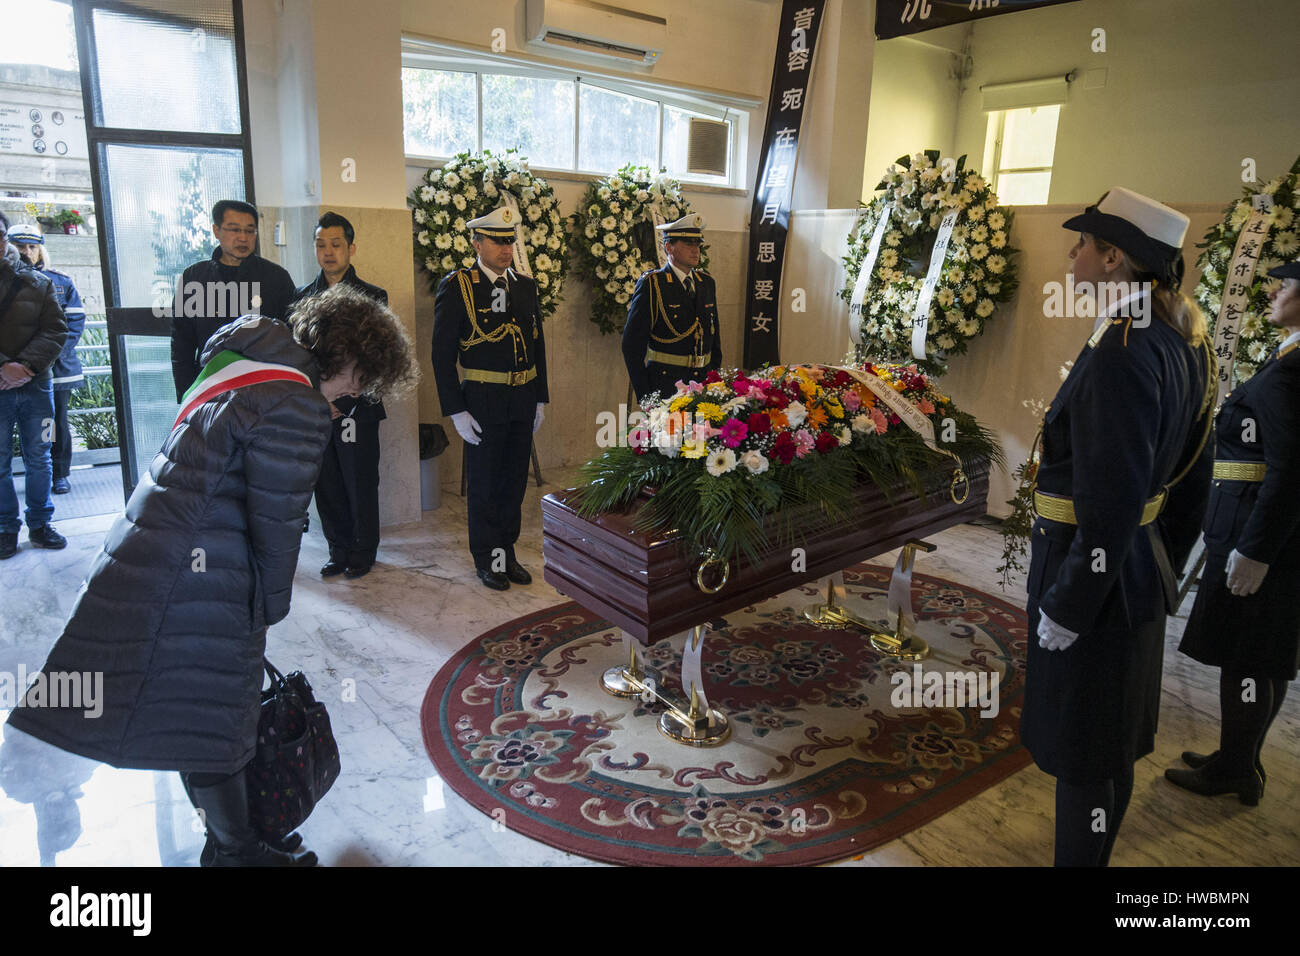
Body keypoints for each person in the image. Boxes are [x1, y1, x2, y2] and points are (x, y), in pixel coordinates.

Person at [6, 285, 418, 866]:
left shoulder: (246, 360)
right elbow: (277, 526)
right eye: (360, 376)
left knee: (191, 709)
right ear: (345, 353)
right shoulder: (295, 405)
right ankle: (236, 852)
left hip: (153, 546)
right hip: (200, 574)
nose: (356, 391)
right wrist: (268, 609)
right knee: (216, 717)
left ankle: (233, 838)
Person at [1022, 187, 1215, 867]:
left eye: (1084, 242)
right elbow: (1193, 480)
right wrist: (1159, 558)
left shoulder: (1124, 352)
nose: (1072, 252)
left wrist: (1071, 603)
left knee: (1082, 752)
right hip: (1135, 573)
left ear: (1113, 259)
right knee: (1112, 742)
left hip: (1095, 582)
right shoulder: (1180, 340)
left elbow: (1109, 499)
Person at [1166, 259, 1300, 806]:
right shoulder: (1289, 358)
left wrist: (1255, 552)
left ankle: (1236, 770)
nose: (1273, 290)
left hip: (1256, 534)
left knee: (1246, 658)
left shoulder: (1294, 370)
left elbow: (1291, 468)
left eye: (1286, 284)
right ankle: (1239, 757)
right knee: (1264, 655)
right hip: (1265, 533)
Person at [432, 206, 547, 591]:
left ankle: (507, 552)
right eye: (498, 241)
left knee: (514, 482)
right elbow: (441, 354)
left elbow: (537, 346)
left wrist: (541, 398)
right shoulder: (459, 286)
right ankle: (488, 557)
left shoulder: (525, 285)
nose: (506, 248)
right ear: (476, 242)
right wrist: (456, 410)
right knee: (485, 484)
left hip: (521, 397)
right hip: (482, 400)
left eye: (510, 240)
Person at [290, 212, 388, 580]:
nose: (328, 252)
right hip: (318, 409)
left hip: (358, 408)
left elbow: (377, 355)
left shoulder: (372, 296)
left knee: (359, 480)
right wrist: (320, 400)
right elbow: (298, 358)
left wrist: (345, 400)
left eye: (336, 244)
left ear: (351, 248)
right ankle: (338, 549)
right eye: (321, 245)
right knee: (327, 481)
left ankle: (363, 550)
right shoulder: (301, 297)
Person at [169, 198, 296, 401]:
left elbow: (291, 337)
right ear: (216, 231)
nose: (243, 238)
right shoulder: (194, 278)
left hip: (264, 388)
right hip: (211, 387)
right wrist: (187, 394)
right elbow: (182, 344)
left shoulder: (276, 278)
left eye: (249, 230)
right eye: (234, 229)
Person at [0, 210, 69, 559]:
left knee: (40, 456)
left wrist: (24, 366)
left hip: (38, 387)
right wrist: (4, 368)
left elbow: (57, 330)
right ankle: (5, 528)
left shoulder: (39, 283)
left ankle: (40, 523)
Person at [9, 222, 86, 495]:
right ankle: (36, 473)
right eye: (20, 246)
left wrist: (42, 360)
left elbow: (73, 325)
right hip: (14, 372)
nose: (27, 251)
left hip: (57, 372)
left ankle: (58, 473)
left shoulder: (61, 282)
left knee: (53, 425)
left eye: (32, 246)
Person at [621, 214, 722, 404]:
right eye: (688, 244)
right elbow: (631, 347)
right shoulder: (653, 285)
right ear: (669, 247)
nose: (695, 250)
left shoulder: (706, 282)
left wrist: (712, 379)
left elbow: (714, 339)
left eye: (697, 244)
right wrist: (647, 398)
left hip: (702, 386)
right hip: (666, 387)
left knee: (701, 433)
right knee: (671, 435)